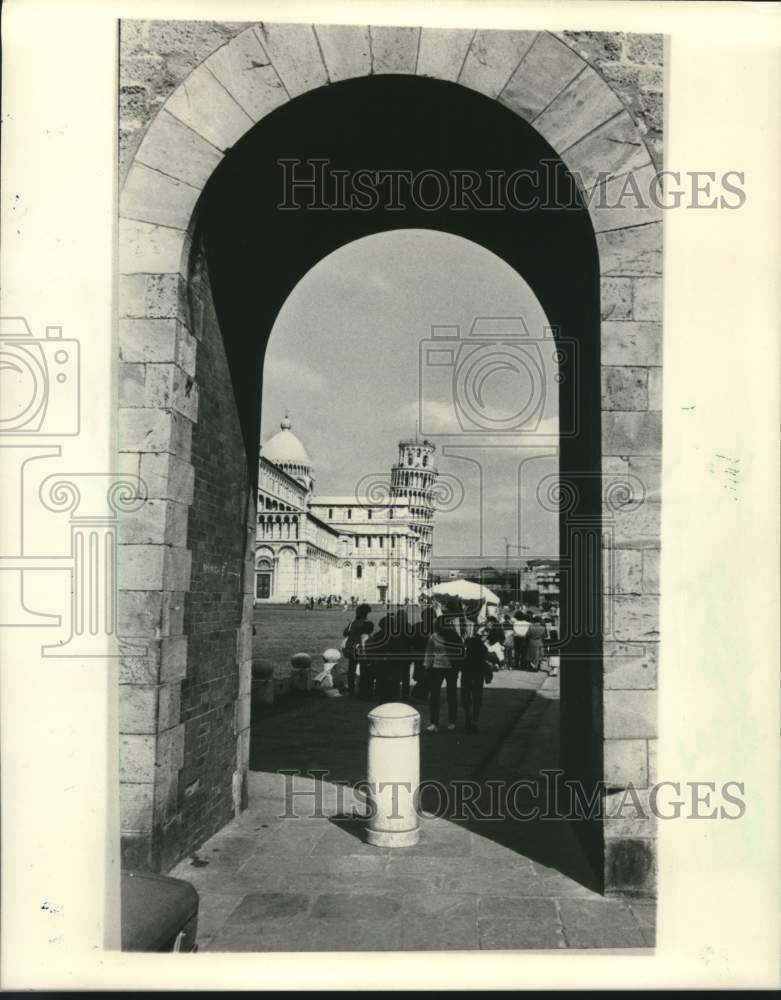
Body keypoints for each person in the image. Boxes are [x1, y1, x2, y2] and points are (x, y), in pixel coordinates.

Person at [423, 614, 463, 732]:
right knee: (435, 695)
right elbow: (429, 653)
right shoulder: (433, 637)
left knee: (451, 695)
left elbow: (460, 652)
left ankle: (452, 721)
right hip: (437, 668)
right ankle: (434, 723)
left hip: (451, 668)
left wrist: (458, 666)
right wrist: (426, 666)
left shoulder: (454, 637)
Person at [461, 623, 492, 731]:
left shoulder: (467, 646)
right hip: (478, 675)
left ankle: (468, 715)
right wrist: (488, 674)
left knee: (466, 697)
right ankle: (474, 720)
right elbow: (486, 661)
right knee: (477, 698)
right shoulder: (483, 648)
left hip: (467, 674)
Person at [342, 602, 374, 696]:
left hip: (351, 648)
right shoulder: (366, 623)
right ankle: (362, 689)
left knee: (351, 669)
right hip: (361, 648)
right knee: (363, 670)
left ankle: (351, 689)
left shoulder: (353, 623)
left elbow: (345, 633)